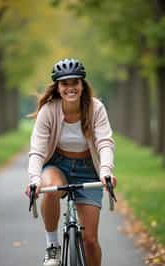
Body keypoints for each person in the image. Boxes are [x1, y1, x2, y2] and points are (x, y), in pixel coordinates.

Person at [26, 58, 116, 266]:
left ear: (82, 85)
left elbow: (105, 143)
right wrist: (34, 179)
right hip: (58, 164)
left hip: (89, 170)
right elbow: (37, 150)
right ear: (58, 88)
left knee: (90, 241)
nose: (70, 88)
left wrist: (106, 171)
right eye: (65, 83)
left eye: (75, 82)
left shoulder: (96, 108)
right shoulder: (49, 111)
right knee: (48, 188)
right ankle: (52, 247)